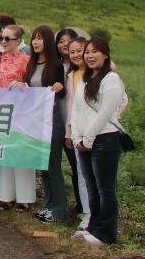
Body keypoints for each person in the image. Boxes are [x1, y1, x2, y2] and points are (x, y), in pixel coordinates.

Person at [71, 37, 127, 246]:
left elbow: (105, 112)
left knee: (106, 188)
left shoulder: (111, 79)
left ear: (105, 55)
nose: (90, 56)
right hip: (84, 141)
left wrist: (88, 138)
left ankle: (107, 234)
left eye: (95, 51)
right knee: (92, 188)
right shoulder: (84, 80)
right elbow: (76, 111)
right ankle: (93, 228)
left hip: (105, 139)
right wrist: (77, 137)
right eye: (87, 52)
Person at [27, 26, 69, 224]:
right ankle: (49, 205)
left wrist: (60, 87)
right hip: (35, 120)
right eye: (34, 38)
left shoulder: (57, 65)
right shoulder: (31, 64)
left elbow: (62, 91)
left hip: (52, 119)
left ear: (48, 41)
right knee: (42, 165)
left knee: (53, 165)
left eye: (40, 38)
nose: (36, 42)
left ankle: (60, 210)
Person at [0, 24, 33, 212]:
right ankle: (6, 196)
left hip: (22, 111)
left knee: (21, 152)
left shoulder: (27, 60)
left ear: (18, 40)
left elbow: (34, 85)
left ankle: (24, 199)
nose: (3, 41)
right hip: (3, 111)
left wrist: (23, 85)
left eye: (8, 38)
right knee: (6, 152)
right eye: (1, 38)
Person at [65, 37, 91, 229]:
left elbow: (121, 100)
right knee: (82, 173)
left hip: (98, 131)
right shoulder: (71, 75)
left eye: (79, 50)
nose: (76, 55)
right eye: (72, 51)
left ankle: (100, 214)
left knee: (97, 174)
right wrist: (68, 132)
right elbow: (69, 106)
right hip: (77, 132)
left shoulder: (100, 73)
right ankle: (88, 213)